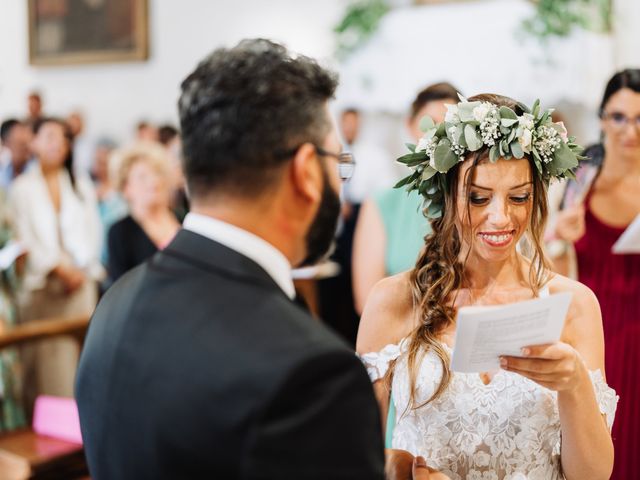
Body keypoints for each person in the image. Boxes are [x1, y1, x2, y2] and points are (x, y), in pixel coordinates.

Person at [76, 39, 390, 480]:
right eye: (339, 164)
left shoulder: (114, 305)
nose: (340, 189)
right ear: (304, 172)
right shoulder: (315, 376)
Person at [357, 94, 617, 479]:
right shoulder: (395, 301)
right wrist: (402, 468)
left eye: (519, 197)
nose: (501, 218)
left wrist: (574, 384)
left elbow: (592, 475)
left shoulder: (573, 304)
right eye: (478, 198)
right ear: (446, 195)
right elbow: (353, 456)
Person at [548, 68, 640, 479]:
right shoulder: (575, 183)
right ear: (602, 118)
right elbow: (547, 278)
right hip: (593, 337)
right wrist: (557, 240)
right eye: (619, 117)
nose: (630, 131)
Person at [9, 118, 103, 407]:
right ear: (34, 142)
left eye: (63, 138)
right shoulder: (21, 188)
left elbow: (93, 231)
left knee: (83, 365)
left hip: (79, 284)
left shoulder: (79, 183)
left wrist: (81, 269)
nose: (56, 144)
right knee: (51, 372)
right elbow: (23, 236)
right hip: (45, 287)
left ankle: (83, 435)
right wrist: (57, 268)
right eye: (49, 136)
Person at [353, 82, 459, 314]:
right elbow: (367, 301)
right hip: (399, 337)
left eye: (449, 125)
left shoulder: (471, 201)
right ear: (410, 126)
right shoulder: (382, 203)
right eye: (429, 123)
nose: (438, 134)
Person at [107, 142, 180, 282]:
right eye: (142, 177)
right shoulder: (120, 231)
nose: (154, 182)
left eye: (157, 174)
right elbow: (120, 287)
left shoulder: (184, 219)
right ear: (126, 188)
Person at [0, 119, 33, 191]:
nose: (26, 148)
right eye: (20, 144)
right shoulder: (3, 172)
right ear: (6, 144)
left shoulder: (35, 169)